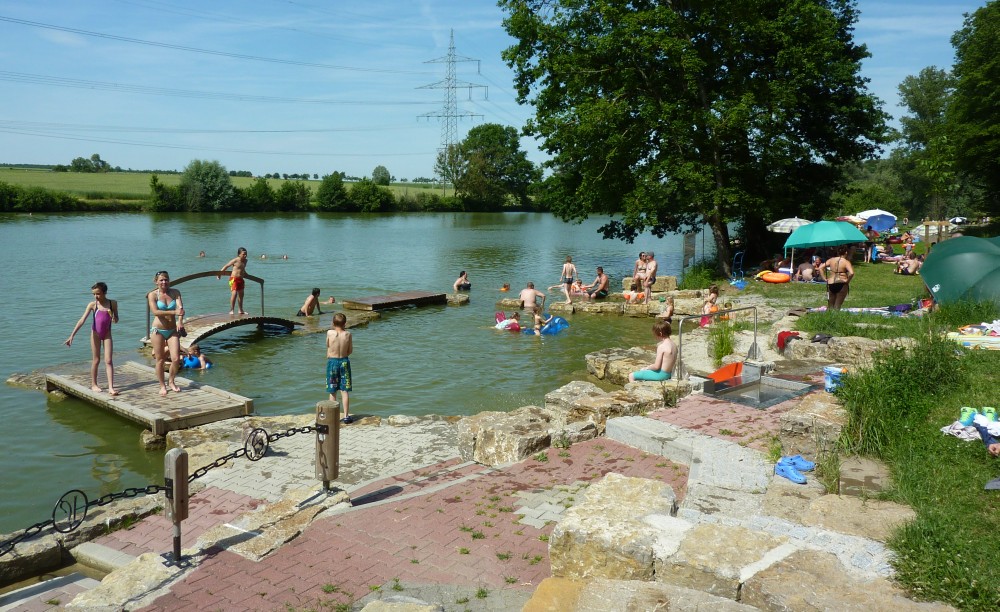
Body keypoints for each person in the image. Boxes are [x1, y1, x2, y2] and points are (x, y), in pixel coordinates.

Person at [66, 282, 120, 396]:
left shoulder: (112, 303)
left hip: (107, 334)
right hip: (95, 334)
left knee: (108, 360)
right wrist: (72, 335)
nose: (96, 296)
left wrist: (113, 317)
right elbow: (82, 320)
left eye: (98, 294)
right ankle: (94, 384)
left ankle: (111, 387)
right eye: (94, 294)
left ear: (104, 292)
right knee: (96, 360)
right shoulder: (93, 305)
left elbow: (116, 320)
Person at [147, 270, 185, 396]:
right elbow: (155, 312)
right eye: (161, 280)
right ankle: (162, 385)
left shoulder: (175, 292)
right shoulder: (153, 295)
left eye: (166, 279)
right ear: (156, 282)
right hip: (158, 330)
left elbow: (180, 308)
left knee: (176, 358)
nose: (164, 282)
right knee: (160, 360)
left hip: (172, 330)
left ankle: (171, 381)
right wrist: (174, 312)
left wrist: (180, 321)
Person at [326, 312, 354, 424]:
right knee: (344, 390)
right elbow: (350, 350)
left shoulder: (329, 333)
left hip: (332, 362)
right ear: (345, 323)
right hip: (344, 362)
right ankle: (346, 416)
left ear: (333, 323)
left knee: (332, 390)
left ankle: (333, 416)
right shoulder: (348, 334)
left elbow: (328, 345)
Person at [820, 246, 855, 310]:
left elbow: (820, 268)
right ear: (846, 252)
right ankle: (836, 315)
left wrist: (824, 278)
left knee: (830, 305)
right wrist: (847, 281)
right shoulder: (846, 262)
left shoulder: (831, 260)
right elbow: (852, 273)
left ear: (838, 252)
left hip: (831, 283)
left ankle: (829, 315)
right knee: (837, 306)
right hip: (841, 282)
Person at [218, 247, 249, 315]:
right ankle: (231, 310)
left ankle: (240, 310)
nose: (245, 255)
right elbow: (226, 266)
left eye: (246, 254)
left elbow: (242, 269)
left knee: (241, 295)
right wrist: (219, 274)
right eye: (243, 254)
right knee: (234, 293)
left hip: (241, 279)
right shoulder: (235, 260)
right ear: (239, 254)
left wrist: (246, 274)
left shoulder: (245, 261)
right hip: (234, 279)